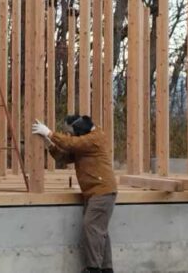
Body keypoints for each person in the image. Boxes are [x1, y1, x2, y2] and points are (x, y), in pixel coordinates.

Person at [33, 115, 117, 273]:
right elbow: (64, 157)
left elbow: (71, 143)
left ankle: (93, 268)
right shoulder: (84, 144)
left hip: (102, 191)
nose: (71, 136)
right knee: (98, 230)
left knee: (91, 227)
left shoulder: (94, 138)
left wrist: (50, 133)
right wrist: (49, 144)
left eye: (73, 133)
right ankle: (106, 268)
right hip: (96, 192)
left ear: (81, 131)